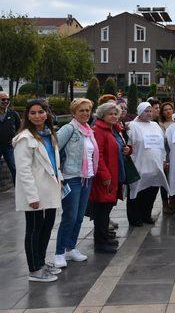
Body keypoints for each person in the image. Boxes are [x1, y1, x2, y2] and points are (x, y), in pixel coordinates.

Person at [14, 99, 63, 282]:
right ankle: (34, 270)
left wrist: (61, 179)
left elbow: (53, 161)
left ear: (47, 113)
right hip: (35, 193)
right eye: (32, 113)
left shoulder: (49, 134)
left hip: (50, 189)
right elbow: (23, 171)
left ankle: (41, 262)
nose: (37, 116)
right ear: (27, 116)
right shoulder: (24, 139)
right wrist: (32, 196)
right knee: (34, 230)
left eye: (41, 112)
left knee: (47, 226)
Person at [53, 99, 98, 268]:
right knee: (69, 217)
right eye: (81, 111)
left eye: (88, 110)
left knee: (79, 217)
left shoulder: (88, 131)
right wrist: (59, 176)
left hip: (87, 177)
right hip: (71, 177)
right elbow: (54, 149)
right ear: (74, 113)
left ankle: (70, 248)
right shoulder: (69, 128)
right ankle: (59, 252)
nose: (86, 113)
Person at [91, 102, 129, 253]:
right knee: (101, 209)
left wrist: (127, 149)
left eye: (115, 114)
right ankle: (100, 242)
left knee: (107, 208)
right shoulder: (99, 130)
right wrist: (105, 175)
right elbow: (97, 155)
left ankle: (105, 237)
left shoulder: (115, 129)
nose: (114, 116)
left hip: (115, 173)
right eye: (110, 114)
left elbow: (119, 147)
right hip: (105, 177)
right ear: (102, 115)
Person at [127, 102, 169, 227]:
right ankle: (135, 218)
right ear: (140, 112)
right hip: (139, 164)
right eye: (146, 111)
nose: (149, 113)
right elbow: (128, 145)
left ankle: (146, 215)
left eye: (150, 111)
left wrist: (164, 159)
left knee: (151, 191)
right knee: (137, 192)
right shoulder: (132, 126)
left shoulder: (155, 125)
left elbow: (162, 145)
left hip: (155, 166)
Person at [158, 102, 174, 214]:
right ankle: (165, 203)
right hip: (165, 155)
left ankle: (173, 201)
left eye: (170, 109)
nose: (168, 111)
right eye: (165, 110)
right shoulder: (160, 125)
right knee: (165, 180)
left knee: (174, 179)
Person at [0, 91, 20, 183]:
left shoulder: (13, 114)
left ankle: (19, 190)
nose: (6, 101)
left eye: (8, 99)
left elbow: (20, 129)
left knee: (15, 168)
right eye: (3, 99)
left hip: (9, 146)